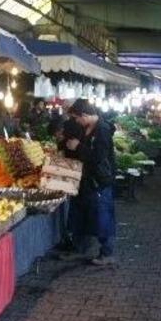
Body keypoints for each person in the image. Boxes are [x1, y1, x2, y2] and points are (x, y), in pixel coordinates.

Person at [64, 99, 117, 266]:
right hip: (85, 179)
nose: (76, 122)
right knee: (79, 213)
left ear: (85, 115)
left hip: (99, 181)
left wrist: (78, 146)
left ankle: (107, 252)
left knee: (102, 216)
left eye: (77, 118)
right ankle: (79, 247)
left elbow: (98, 157)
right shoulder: (87, 128)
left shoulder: (102, 130)